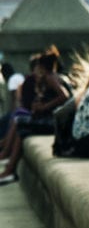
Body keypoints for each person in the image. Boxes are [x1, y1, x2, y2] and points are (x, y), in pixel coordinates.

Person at [0, 51, 69, 185]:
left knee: (20, 122)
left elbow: (64, 96)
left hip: (54, 123)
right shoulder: (48, 78)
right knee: (23, 130)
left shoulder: (50, 77)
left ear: (42, 67)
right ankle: (9, 168)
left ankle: (7, 164)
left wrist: (44, 107)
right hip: (54, 121)